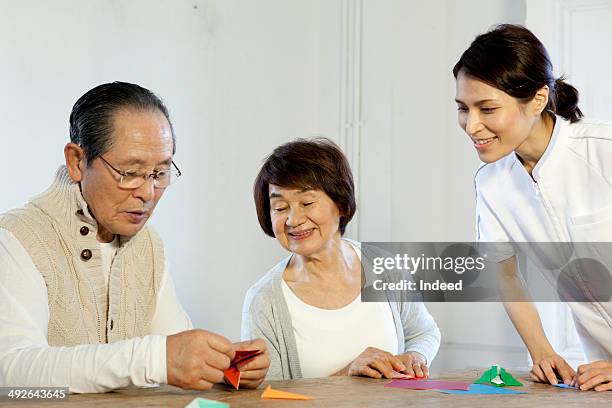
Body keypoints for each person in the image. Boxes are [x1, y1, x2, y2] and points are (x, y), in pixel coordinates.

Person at [0, 82, 269, 393]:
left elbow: (174, 350)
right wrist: (156, 359)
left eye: (160, 173)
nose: (147, 193)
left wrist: (222, 366)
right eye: (130, 172)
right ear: (76, 161)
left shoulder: (148, 246)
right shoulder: (16, 238)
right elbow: (10, 372)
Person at [454, 24, 612, 391]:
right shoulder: (492, 183)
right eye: (463, 108)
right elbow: (505, 274)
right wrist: (541, 351)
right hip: (601, 371)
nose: (472, 126)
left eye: (487, 108)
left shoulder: (603, 150)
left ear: (539, 99)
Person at [241, 138, 440, 380]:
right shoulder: (264, 301)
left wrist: (416, 356)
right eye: (280, 208)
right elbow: (270, 398)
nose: (293, 219)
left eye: (307, 202)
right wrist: (348, 374)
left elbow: (424, 332)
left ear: (341, 204)